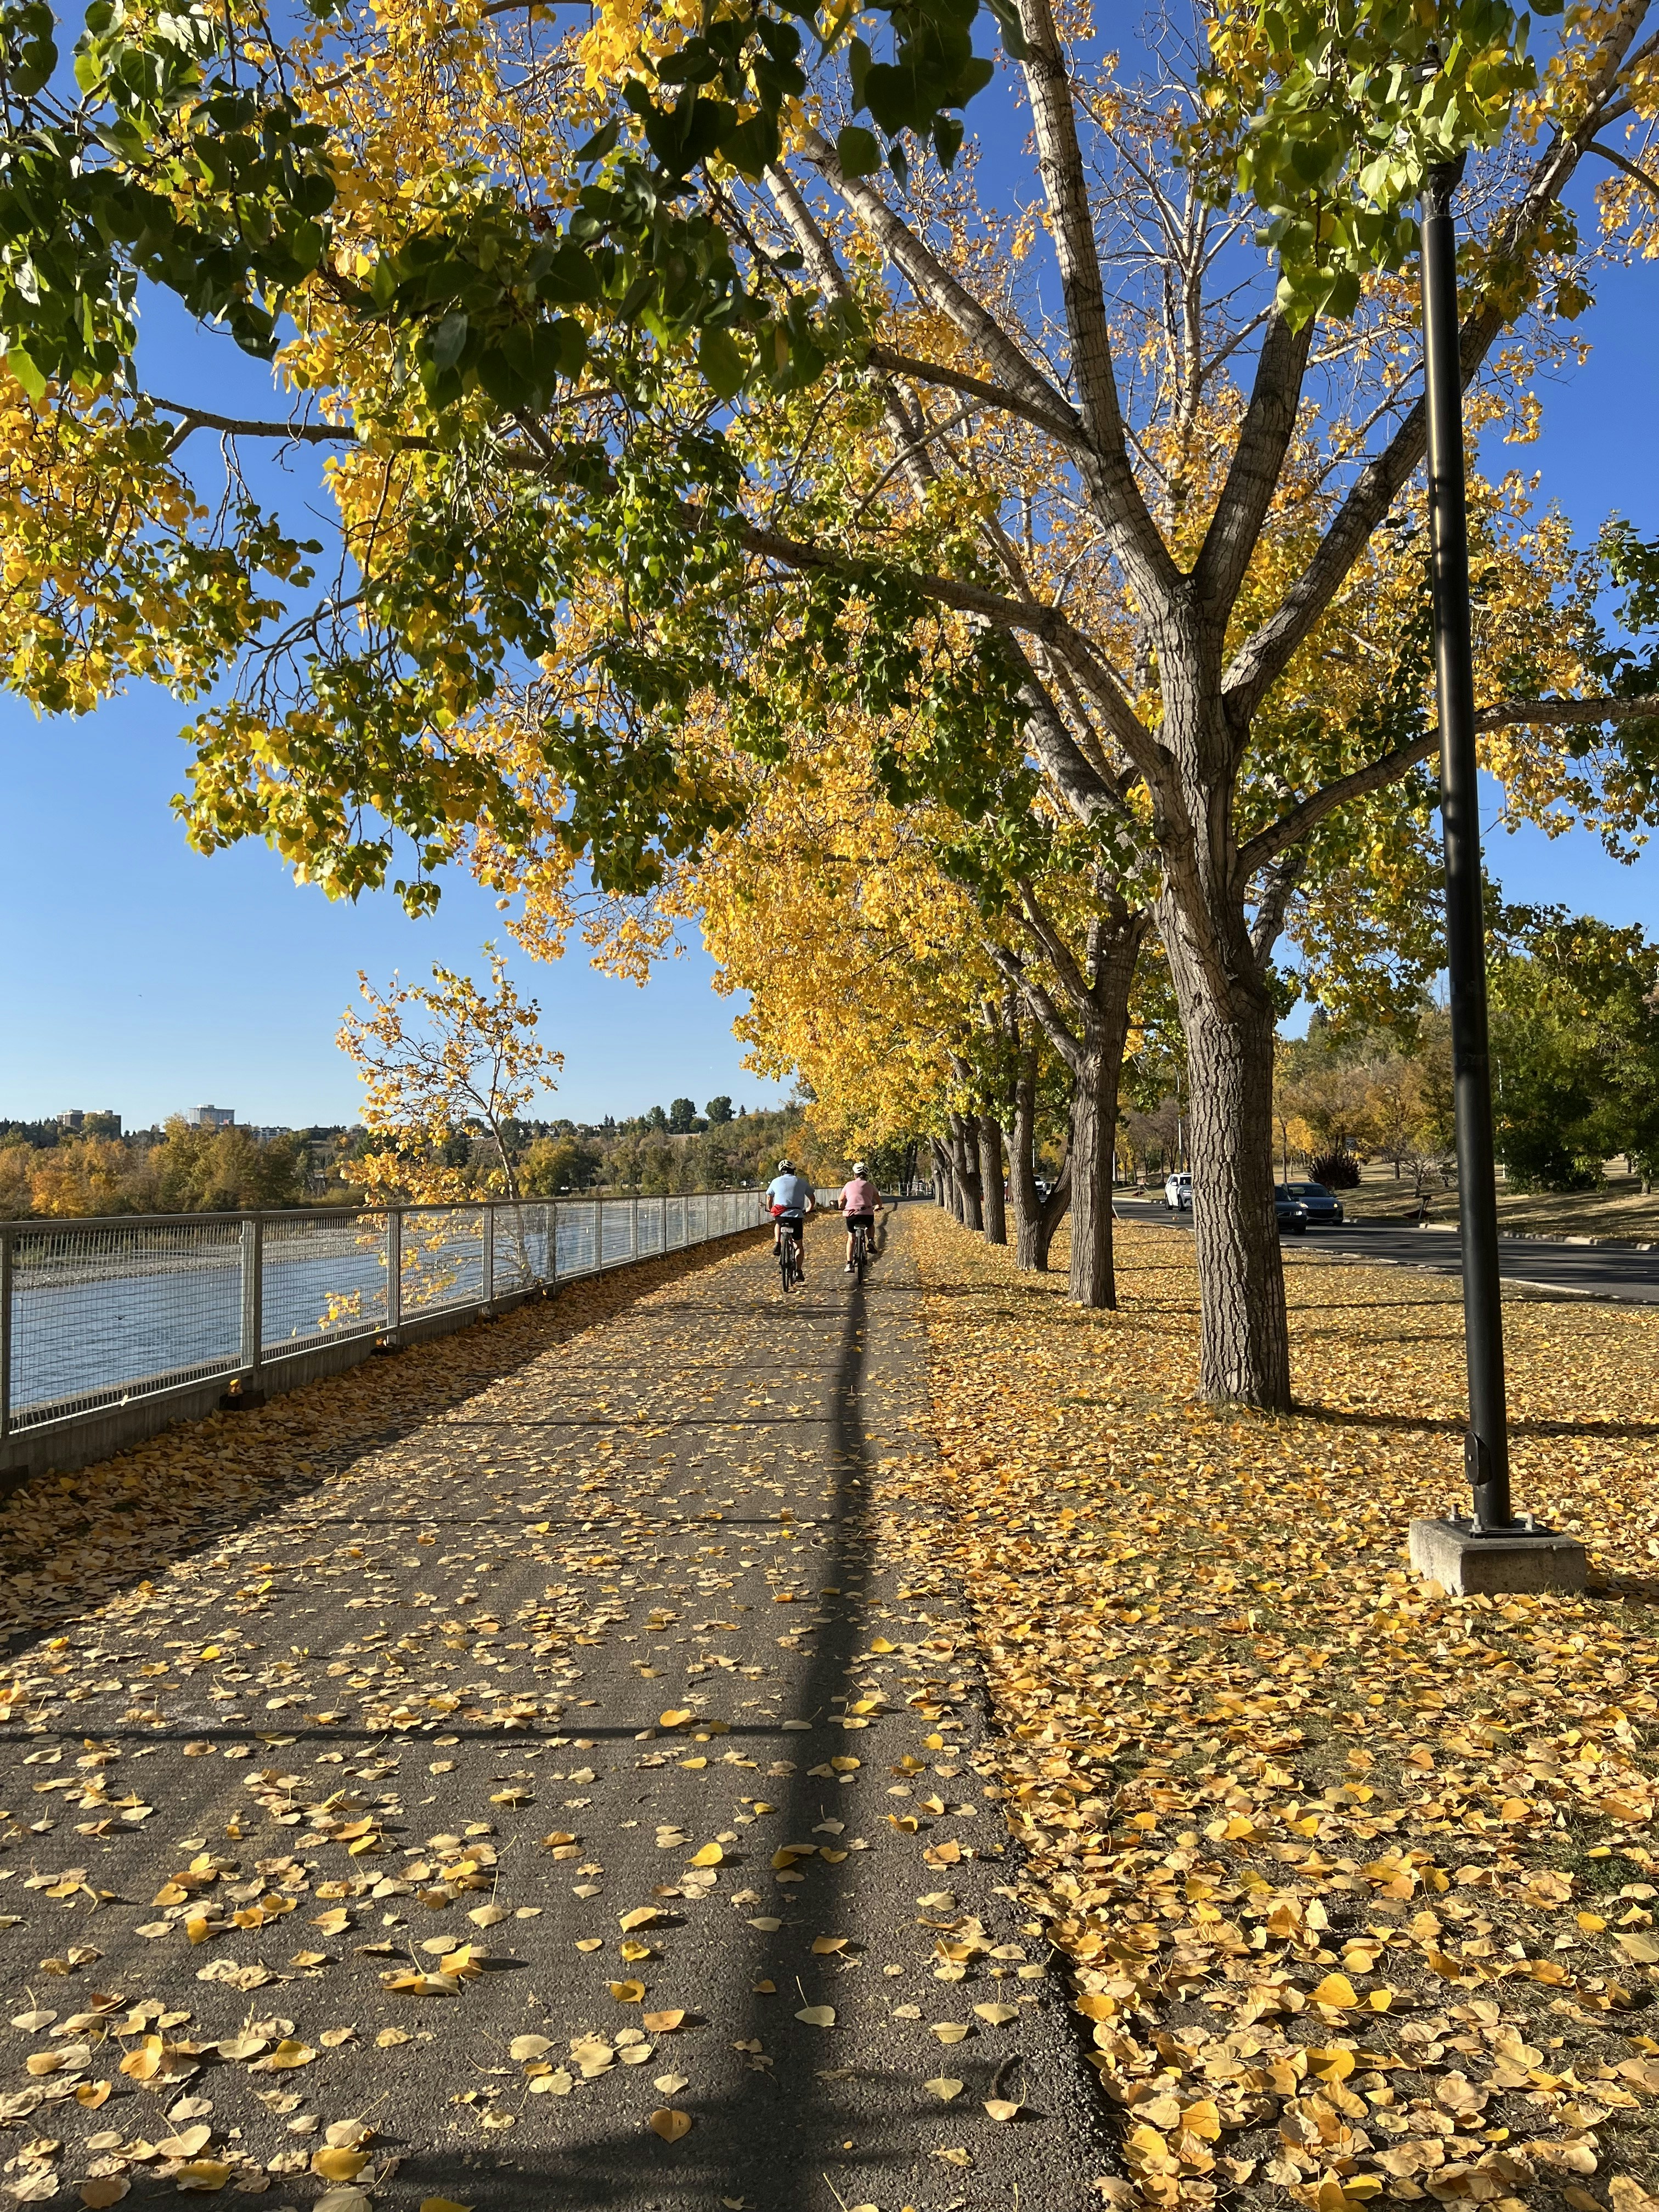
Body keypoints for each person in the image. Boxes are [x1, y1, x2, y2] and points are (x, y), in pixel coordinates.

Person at [766, 1158, 815, 1277]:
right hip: (796, 1216)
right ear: (794, 1170)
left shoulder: (775, 1181)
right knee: (799, 1245)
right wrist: (810, 1208)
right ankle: (799, 1271)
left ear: (781, 1171)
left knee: (778, 1223)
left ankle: (778, 1242)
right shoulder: (801, 1182)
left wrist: (769, 1208)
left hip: (781, 1216)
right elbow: (812, 1197)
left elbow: (769, 1197)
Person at [838, 1161, 883, 1272]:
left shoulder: (848, 1185)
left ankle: (849, 1264)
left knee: (851, 1238)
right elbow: (879, 1202)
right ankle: (871, 1241)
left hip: (851, 1215)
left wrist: (841, 1207)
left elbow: (841, 1200)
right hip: (867, 1214)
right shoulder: (870, 1186)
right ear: (866, 1175)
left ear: (855, 1175)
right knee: (870, 1225)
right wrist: (878, 1207)